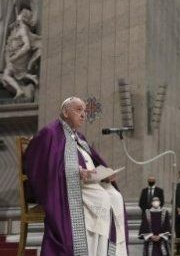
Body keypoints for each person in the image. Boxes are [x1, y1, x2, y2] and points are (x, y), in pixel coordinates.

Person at [24, 96, 127, 255]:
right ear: (65, 112)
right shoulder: (50, 132)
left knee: (116, 197)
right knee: (103, 199)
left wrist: (105, 174)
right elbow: (39, 165)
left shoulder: (80, 137)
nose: (83, 114)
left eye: (84, 111)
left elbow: (93, 160)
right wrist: (76, 172)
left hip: (88, 183)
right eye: (78, 110)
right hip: (64, 186)